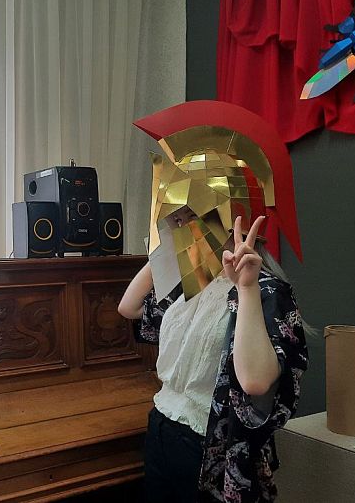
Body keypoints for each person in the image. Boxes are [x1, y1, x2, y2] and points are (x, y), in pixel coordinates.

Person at [120, 101, 310, 503]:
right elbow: (130, 308)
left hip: (209, 450)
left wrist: (246, 288)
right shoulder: (193, 281)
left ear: (227, 215)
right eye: (176, 216)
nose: (181, 225)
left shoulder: (267, 292)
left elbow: (256, 381)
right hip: (161, 430)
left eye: (191, 215)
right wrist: (165, 249)